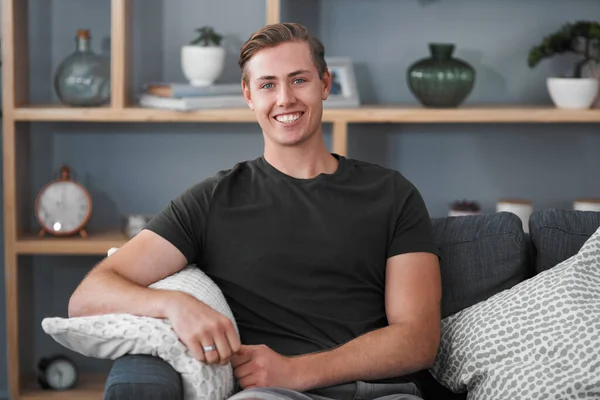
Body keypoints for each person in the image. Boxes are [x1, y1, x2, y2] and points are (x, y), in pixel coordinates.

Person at [68, 22, 442, 400]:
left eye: (299, 80)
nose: (284, 99)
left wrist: (298, 370)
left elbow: (418, 339)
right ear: (249, 95)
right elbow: (87, 296)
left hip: (379, 394)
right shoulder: (212, 201)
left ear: (325, 84)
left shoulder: (392, 193)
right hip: (270, 395)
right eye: (267, 85)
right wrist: (174, 304)